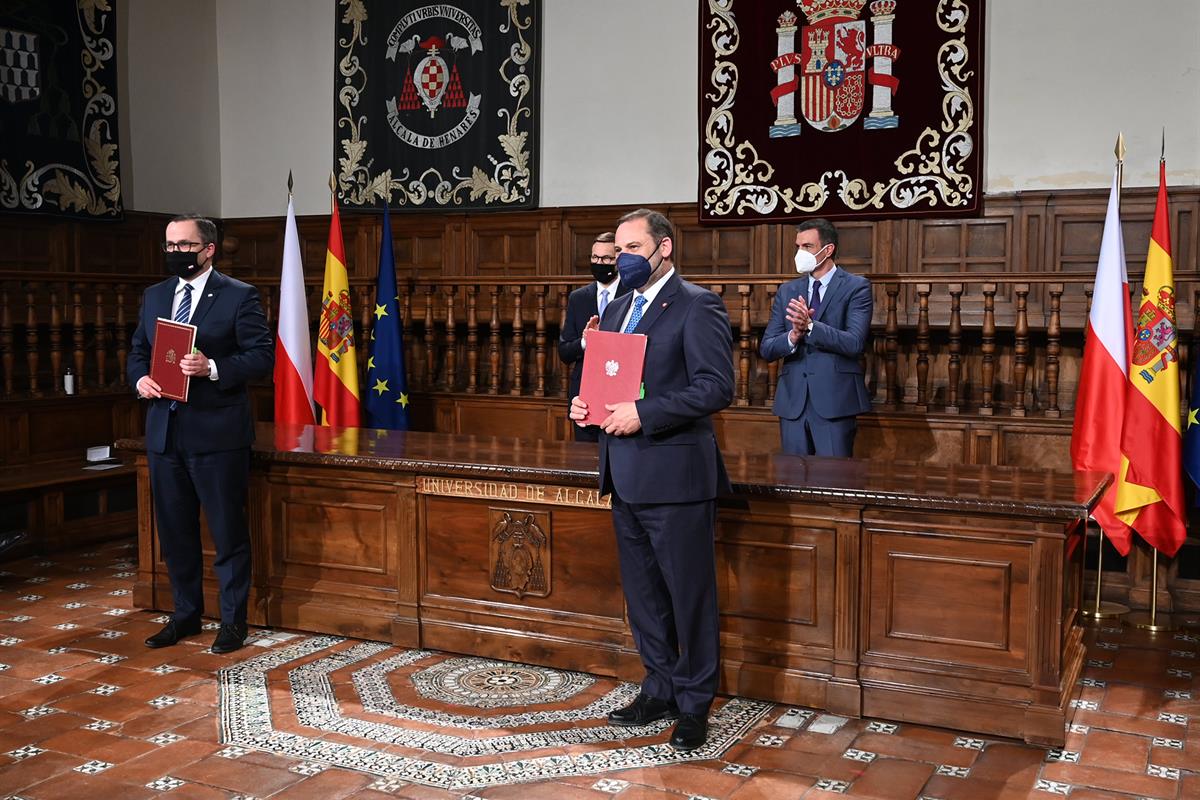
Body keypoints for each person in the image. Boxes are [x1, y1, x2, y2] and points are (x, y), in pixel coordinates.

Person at [570, 208, 734, 752]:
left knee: (689, 595)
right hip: (623, 473)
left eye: (634, 248)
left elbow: (715, 387)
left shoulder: (696, 305)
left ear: (664, 248)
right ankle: (659, 686)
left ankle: (694, 703)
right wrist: (584, 406)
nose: (624, 259)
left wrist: (647, 412)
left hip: (676, 475)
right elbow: (607, 383)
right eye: (620, 250)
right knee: (644, 597)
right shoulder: (615, 309)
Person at [128, 215, 273, 654]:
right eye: (169, 245)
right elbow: (138, 351)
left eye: (184, 245)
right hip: (165, 432)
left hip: (216, 434)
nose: (176, 253)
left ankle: (232, 622)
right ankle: (185, 615)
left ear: (208, 249)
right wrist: (140, 380)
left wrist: (211, 367)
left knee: (227, 532)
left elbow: (262, 358)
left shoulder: (239, 296)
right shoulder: (155, 296)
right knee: (175, 532)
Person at [759, 218, 872, 457]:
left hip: (834, 402)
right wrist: (793, 334)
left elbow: (854, 343)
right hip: (793, 404)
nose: (800, 252)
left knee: (834, 483)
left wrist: (811, 327)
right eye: (797, 246)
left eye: (807, 246)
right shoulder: (787, 290)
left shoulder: (856, 287)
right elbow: (767, 348)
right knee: (792, 481)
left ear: (828, 249)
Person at [557, 232, 628, 442]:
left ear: (618, 261)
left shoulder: (632, 294)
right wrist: (587, 341)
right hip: (585, 398)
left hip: (620, 393)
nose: (600, 263)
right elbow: (565, 352)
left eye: (606, 259)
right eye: (595, 258)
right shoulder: (578, 298)